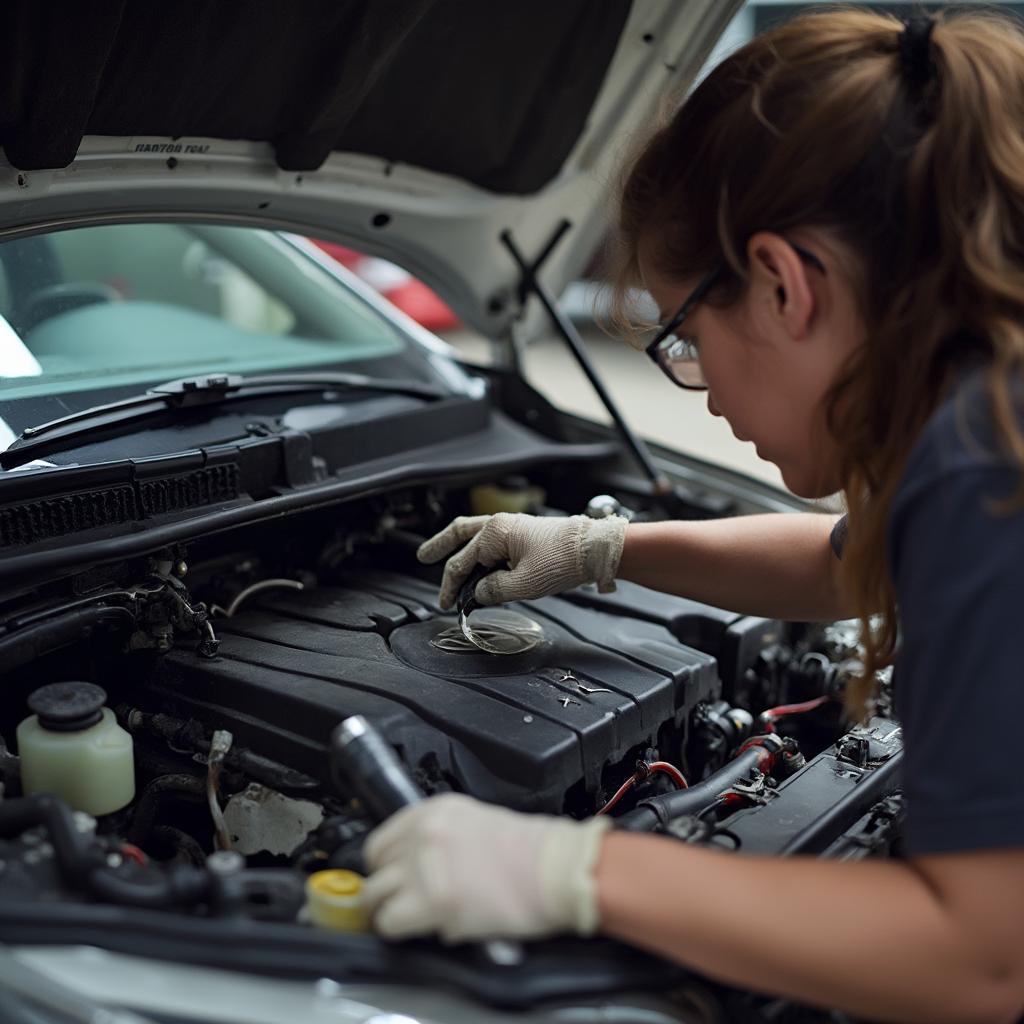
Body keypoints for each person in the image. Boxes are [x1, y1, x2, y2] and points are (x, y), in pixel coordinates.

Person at [361, 9, 1024, 1022]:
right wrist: (596, 547)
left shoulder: (984, 469)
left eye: (682, 338)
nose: (701, 391)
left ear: (780, 284)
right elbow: (842, 558)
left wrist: (576, 872)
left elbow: (983, 959)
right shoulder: (984, 403)